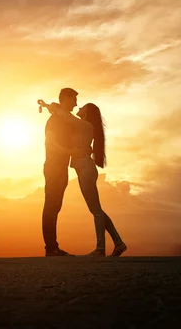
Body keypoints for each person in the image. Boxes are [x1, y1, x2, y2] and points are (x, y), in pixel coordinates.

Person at [38, 99, 127, 257]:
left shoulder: (84, 125)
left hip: (85, 168)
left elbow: (65, 116)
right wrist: (48, 107)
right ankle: (118, 243)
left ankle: (100, 249)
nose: (78, 106)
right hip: (83, 168)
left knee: (95, 210)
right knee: (96, 209)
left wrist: (48, 106)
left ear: (86, 113)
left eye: (82, 107)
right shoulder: (81, 125)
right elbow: (64, 117)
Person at [41, 88, 78, 257]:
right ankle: (51, 248)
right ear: (65, 99)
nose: (76, 104)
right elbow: (51, 144)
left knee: (55, 206)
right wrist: (70, 152)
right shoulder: (54, 120)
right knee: (51, 205)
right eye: (73, 100)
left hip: (61, 167)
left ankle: (53, 247)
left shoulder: (64, 120)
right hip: (53, 167)